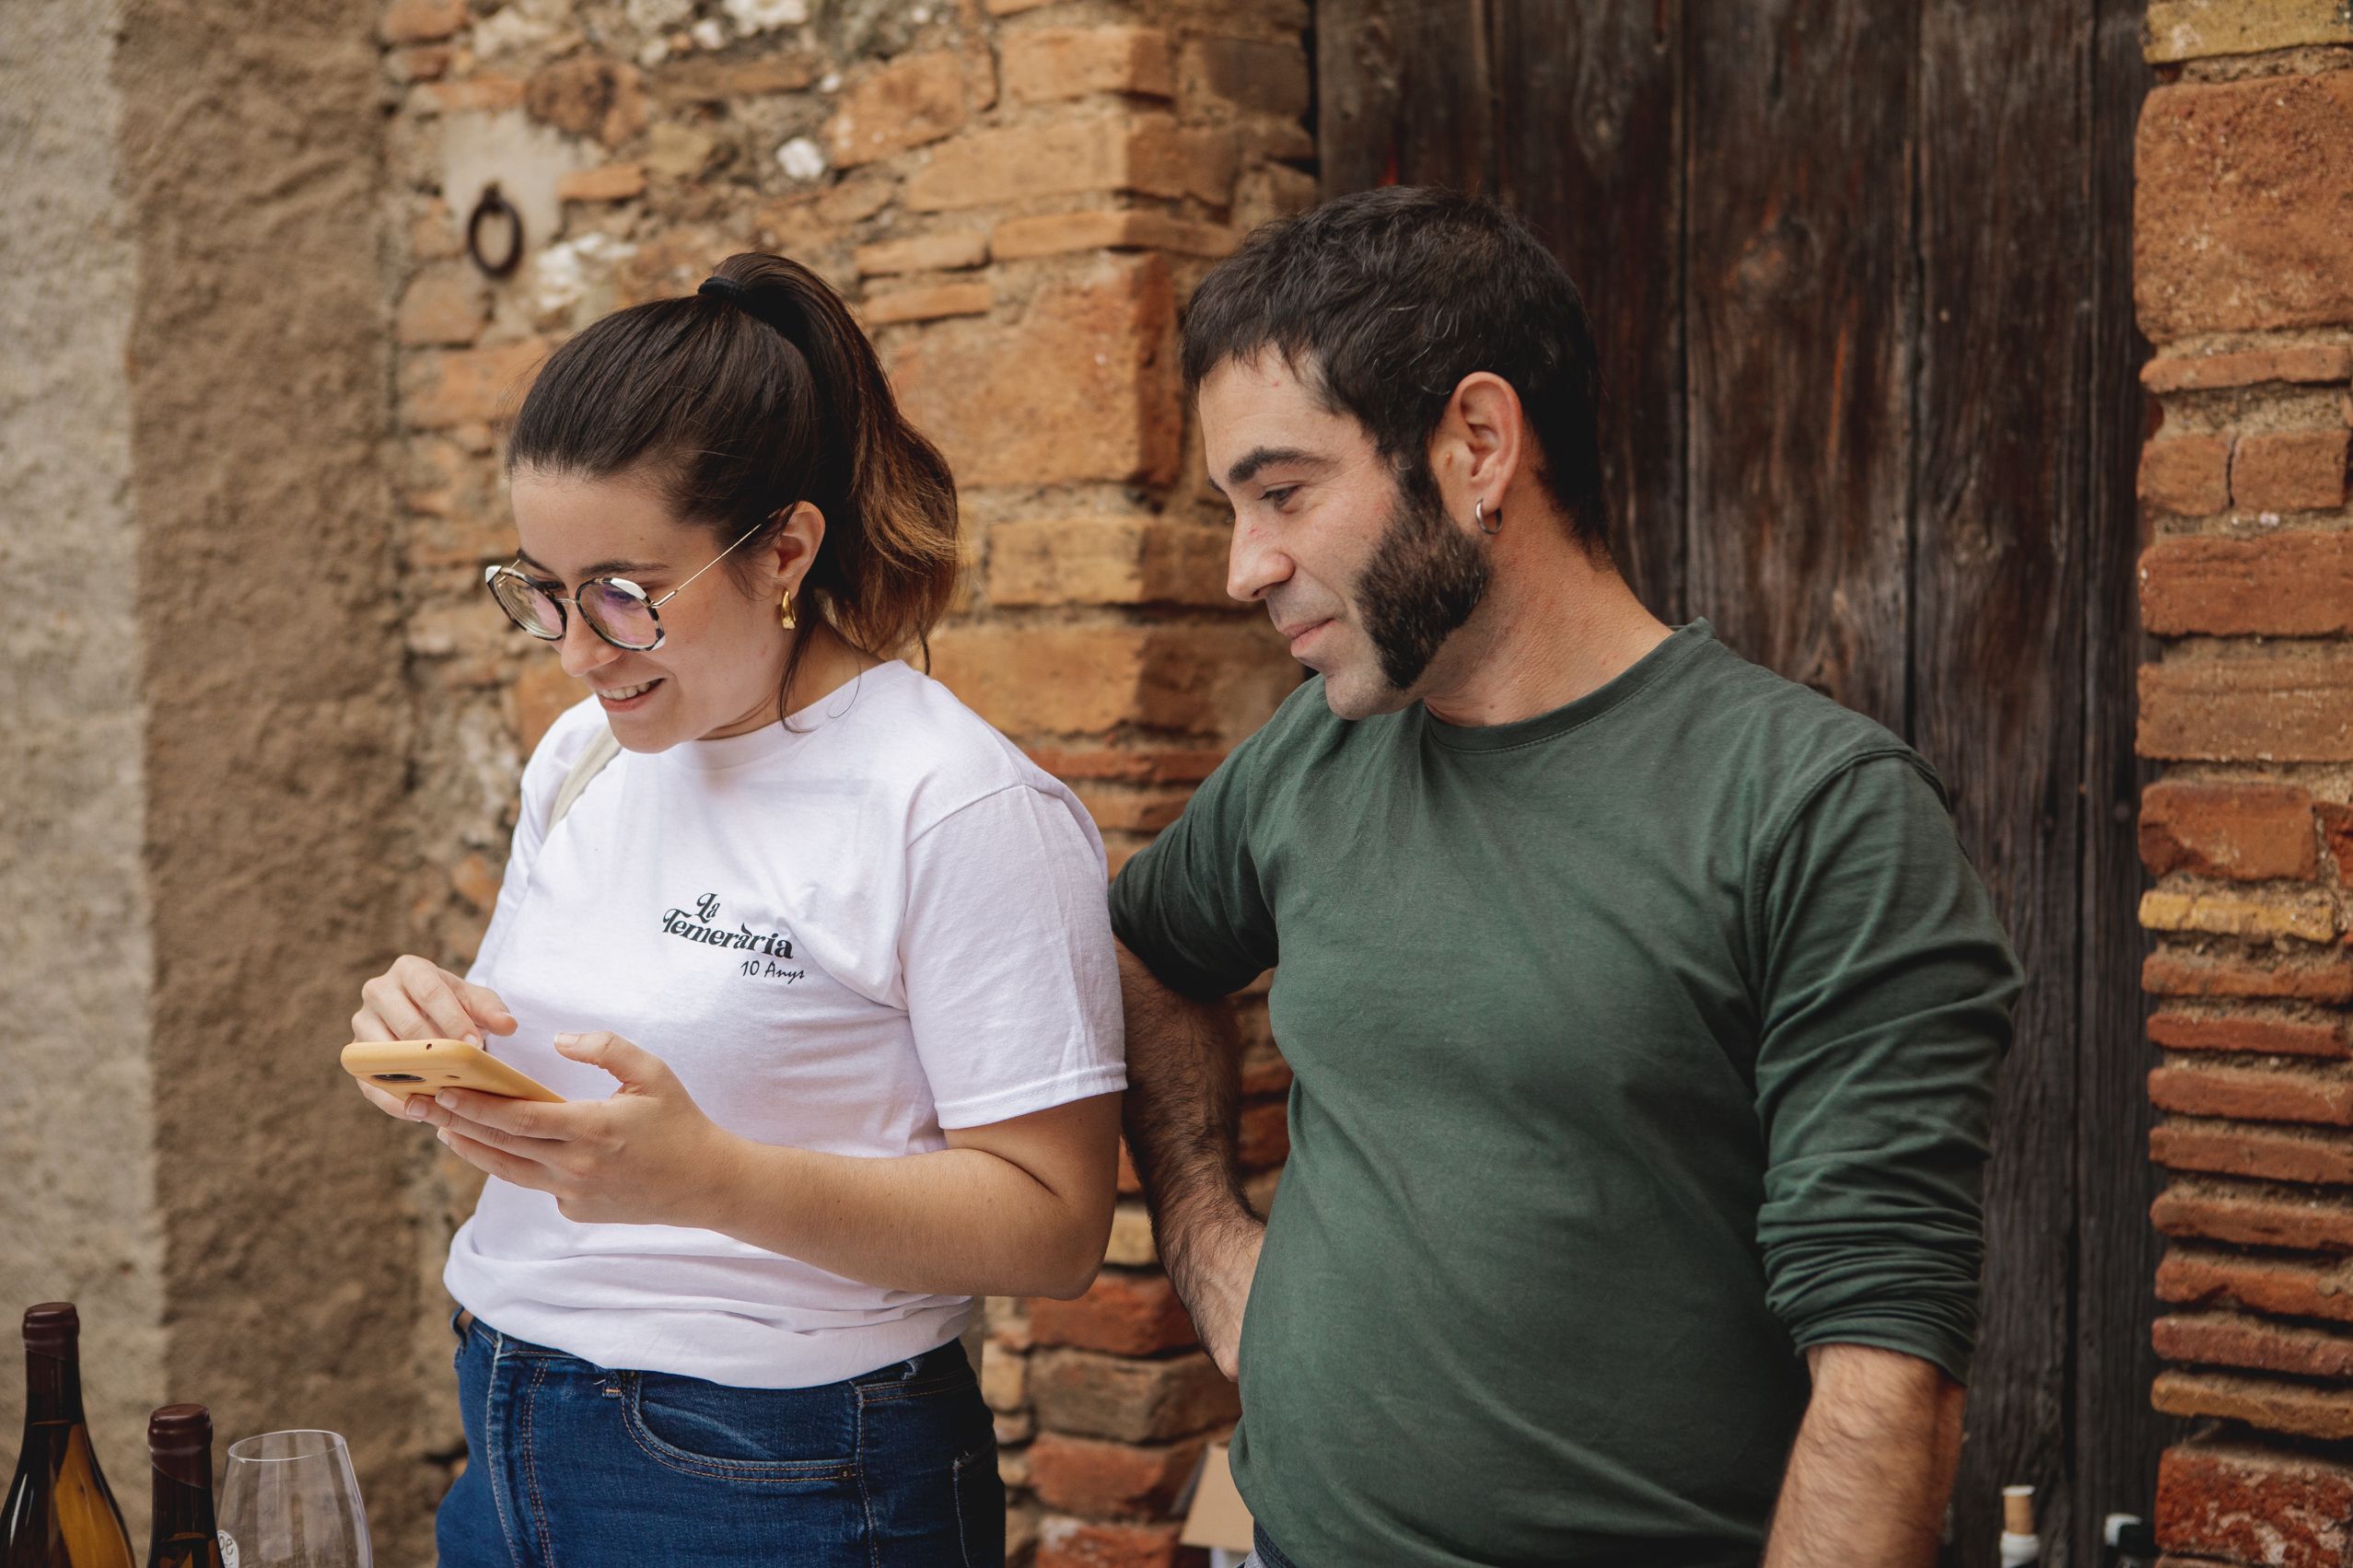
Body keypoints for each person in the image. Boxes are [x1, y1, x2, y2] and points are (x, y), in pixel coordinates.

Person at [1111, 188, 2023, 1568]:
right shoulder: (1309, 757)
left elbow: (1886, 1369)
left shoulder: (1814, 808)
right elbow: (1147, 949)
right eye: (1234, 509)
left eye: (1283, 492)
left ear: (1478, 442)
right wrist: (1203, 1233)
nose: (1248, 567)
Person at [348, 252, 1124, 1567]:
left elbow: (1054, 1224)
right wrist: (430, 1054)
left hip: (783, 1474)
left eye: (624, 594)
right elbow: (559, 1127)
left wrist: (716, 1183)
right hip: (504, 1425)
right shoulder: (581, 757)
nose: (580, 651)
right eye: (542, 587)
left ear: (786, 548)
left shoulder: (951, 802)